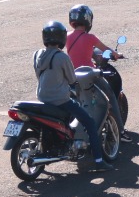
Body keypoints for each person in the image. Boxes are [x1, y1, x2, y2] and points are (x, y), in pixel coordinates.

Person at [35, 20, 109, 169]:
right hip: (60, 100)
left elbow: (38, 74)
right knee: (88, 121)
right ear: (62, 38)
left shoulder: (37, 54)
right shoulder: (62, 57)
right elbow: (72, 79)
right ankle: (99, 161)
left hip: (42, 97)